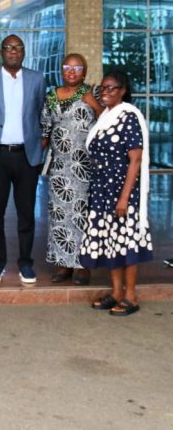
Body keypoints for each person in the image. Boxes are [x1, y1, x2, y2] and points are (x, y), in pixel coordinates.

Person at [0, 35, 46, 284]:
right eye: (9, 47)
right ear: (1, 52)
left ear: (24, 52)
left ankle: (26, 263)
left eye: (18, 48)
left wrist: (42, 143)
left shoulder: (37, 79)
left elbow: (42, 112)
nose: (13, 51)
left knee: (26, 213)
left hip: (27, 155)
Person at [82, 71, 153, 316]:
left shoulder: (129, 116)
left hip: (123, 190)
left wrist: (124, 197)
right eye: (103, 88)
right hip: (103, 189)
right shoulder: (106, 116)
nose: (106, 92)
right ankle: (116, 292)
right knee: (110, 240)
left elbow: (135, 160)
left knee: (126, 241)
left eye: (111, 88)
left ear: (123, 90)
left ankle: (131, 295)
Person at [41, 54, 102, 286]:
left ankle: (82, 265)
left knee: (82, 215)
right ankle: (63, 263)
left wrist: (92, 103)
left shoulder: (93, 93)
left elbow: (107, 120)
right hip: (60, 166)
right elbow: (45, 129)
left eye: (77, 67)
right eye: (67, 66)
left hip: (86, 166)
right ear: (61, 69)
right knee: (60, 215)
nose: (72, 71)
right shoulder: (51, 96)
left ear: (84, 72)